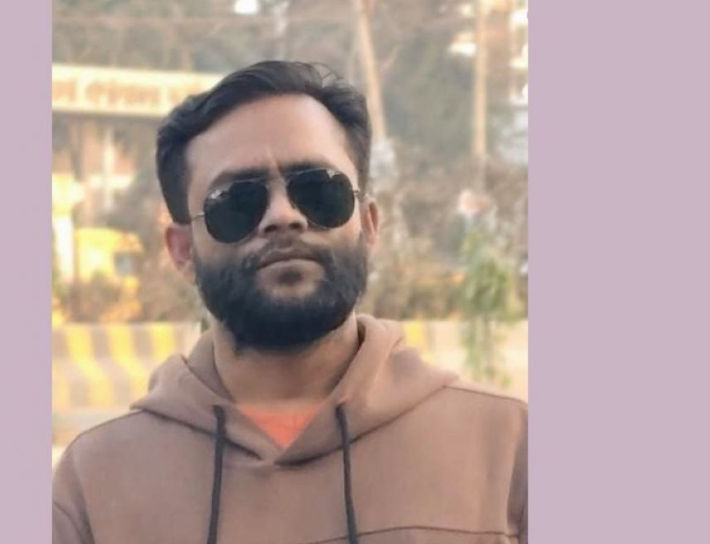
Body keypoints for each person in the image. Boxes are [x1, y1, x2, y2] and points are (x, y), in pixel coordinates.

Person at [53, 60, 527, 544]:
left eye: (319, 190)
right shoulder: (96, 484)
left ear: (368, 224)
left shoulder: (506, 448)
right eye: (236, 202)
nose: (283, 216)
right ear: (182, 250)